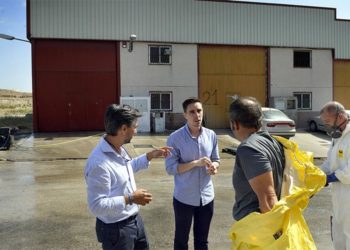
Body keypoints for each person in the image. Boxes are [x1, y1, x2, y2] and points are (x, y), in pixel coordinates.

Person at [84, 104, 172, 250]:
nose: (136, 131)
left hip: (134, 221)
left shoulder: (116, 148)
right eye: (135, 127)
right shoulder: (98, 164)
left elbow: (126, 168)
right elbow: (96, 206)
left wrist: (150, 156)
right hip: (116, 230)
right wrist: (130, 198)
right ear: (124, 129)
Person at [165, 97, 220, 250]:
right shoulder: (175, 138)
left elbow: (216, 159)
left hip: (207, 197)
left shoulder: (211, 135)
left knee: (202, 241)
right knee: (181, 241)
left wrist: (214, 167)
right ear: (185, 115)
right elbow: (170, 168)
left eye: (199, 111)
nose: (197, 115)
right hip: (184, 198)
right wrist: (195, 163)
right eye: (192, 112)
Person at [229, 96, 285, 221]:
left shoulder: (249, 149)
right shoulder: (272, 141)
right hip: (263, 225)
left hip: (256, 229)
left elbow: (268, 197)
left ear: (235, 124)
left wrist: (274, 236)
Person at [319, 101, 350, 250]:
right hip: (339, 195)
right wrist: (318, 174)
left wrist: (330, 178)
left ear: (341, 116)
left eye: (327, 121)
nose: (326, 126)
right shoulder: (337, 136)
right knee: (338, 234)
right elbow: (331, 161)